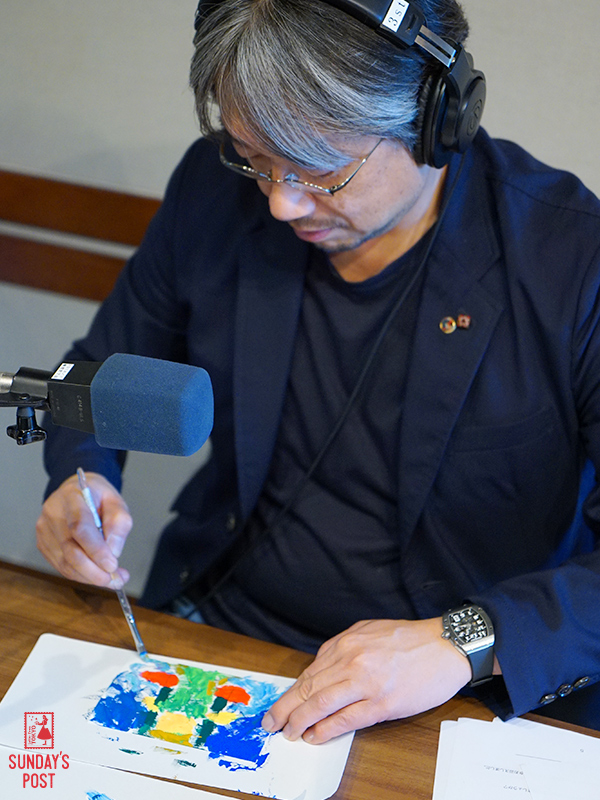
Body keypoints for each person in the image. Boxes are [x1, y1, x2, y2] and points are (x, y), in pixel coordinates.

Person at [36, 0, 600, 745]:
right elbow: (94, 372)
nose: (280, 202)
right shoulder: (213, 193)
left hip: (456, 692)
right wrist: (79, 477)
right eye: (253, 158)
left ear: (434, 120)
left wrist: (466, 640)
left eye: (320, 170)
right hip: (226, 631)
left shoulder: (572, 262)